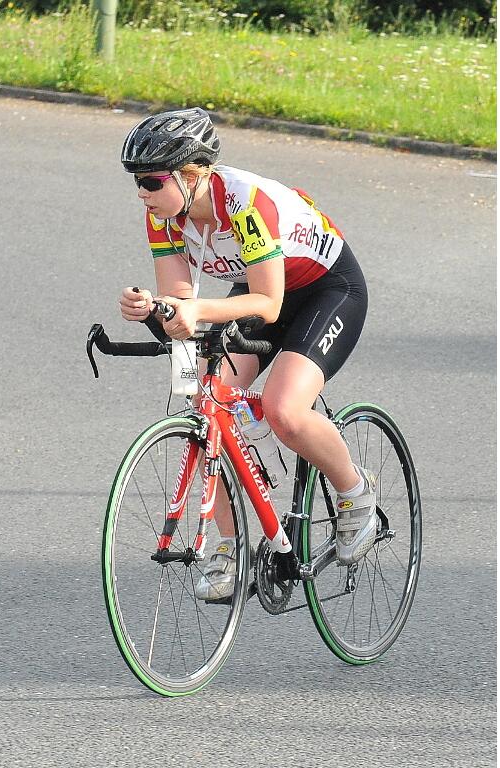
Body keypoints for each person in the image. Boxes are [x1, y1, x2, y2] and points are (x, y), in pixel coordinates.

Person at [117, 107, 375, 600]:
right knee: (208, 405)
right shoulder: (163, 217)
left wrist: (195, 310)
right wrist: (153, 308)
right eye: (136, 182)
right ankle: (232, 545)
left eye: (151, 181)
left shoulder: (245, 203)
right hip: (257, 289)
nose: (142, 193)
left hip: (326, 289)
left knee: (284, 410)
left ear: (191, 174)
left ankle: (355, 492)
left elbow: (269, 304)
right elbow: (181, 302)